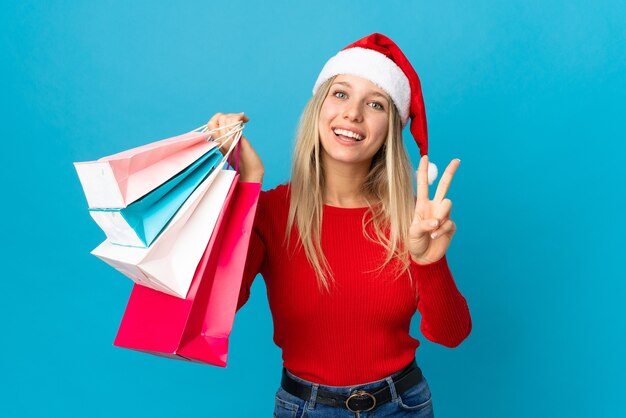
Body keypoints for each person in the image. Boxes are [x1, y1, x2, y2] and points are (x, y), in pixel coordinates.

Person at [207, 33, 471, 417]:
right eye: (341, 94)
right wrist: (245, 185)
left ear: (391, 129)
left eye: (375, 103)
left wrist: (429, 261)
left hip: (403, 405)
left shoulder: (415, 217)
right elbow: (217, 309)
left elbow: (452, 335)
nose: (353, 113)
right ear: (318, 109)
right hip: (305, 408)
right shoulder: (270, 211)